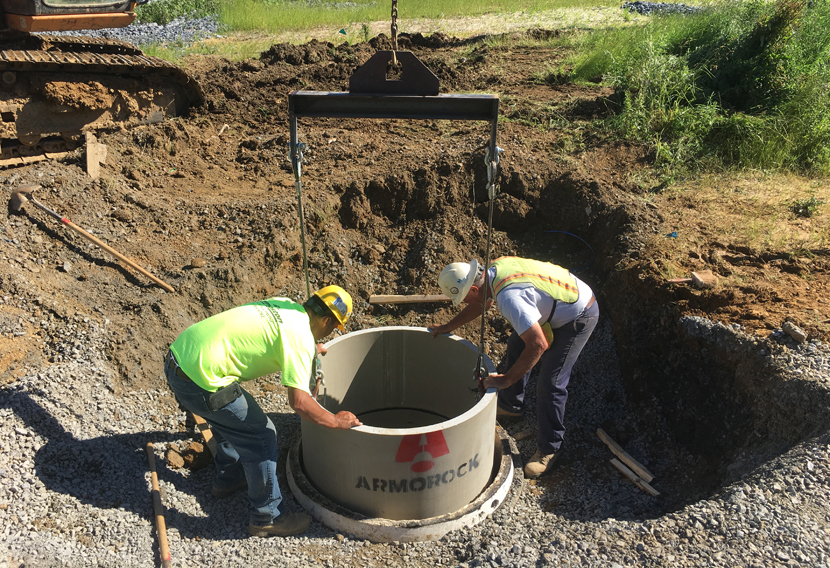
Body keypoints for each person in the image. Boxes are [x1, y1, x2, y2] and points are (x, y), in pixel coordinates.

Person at [163, 285, 362, 537]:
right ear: (326, 321)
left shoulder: (284, 305)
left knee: (232, 417)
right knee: (261, 434)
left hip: (180, 357)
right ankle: (267, 516)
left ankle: (229, 476)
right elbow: (299, 402)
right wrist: (335, 420)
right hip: (198, 382)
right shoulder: (299, 339)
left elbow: (284, 335)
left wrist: (310, 348)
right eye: (334, 326)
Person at [430, 256, 598, 479]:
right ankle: (511, 405)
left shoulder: (510, 299)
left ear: (472, 288)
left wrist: (505, 379)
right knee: (516, 343)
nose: (465, 303)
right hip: (562, 297)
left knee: (551, 382)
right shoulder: (494, 269)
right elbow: (483, 302)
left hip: (579, 315)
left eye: (464, 298)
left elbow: (539, 344)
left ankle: (550, 448)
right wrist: (448, 326)